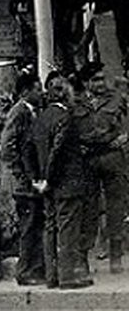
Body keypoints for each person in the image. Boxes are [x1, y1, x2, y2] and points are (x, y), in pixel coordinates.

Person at [31, 72, 92, 289]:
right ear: (64, 93)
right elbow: (57, 152)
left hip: (46, 185)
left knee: (50, 228)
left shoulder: (40, 119)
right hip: (66, 182)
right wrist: (49, 178)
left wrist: (38, 179)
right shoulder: (65, 118)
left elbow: (30, 151)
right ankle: (68, 276)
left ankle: (52, 276)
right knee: (68, 229)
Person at [74, 62, 129, 274]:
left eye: (101, 78)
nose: (100, 83)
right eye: (95, 79)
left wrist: (125, 139)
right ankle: (84, 259)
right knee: (89, 209)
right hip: (88, 160)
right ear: (86, 82)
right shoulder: (77, 102)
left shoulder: (118, 98)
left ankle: (115, 257)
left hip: (112, 157)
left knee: (116, 207)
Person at [0, 70, 46, 285]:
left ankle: (36, 269)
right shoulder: (18, 112)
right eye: (37, 90)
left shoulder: (34, 111)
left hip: (32, 179)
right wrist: (21, 174)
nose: (41, 93)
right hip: (24, 183)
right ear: (26, 92)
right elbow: (7, 147)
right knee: (28, 227)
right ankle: (25, 272)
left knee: (36, 223)